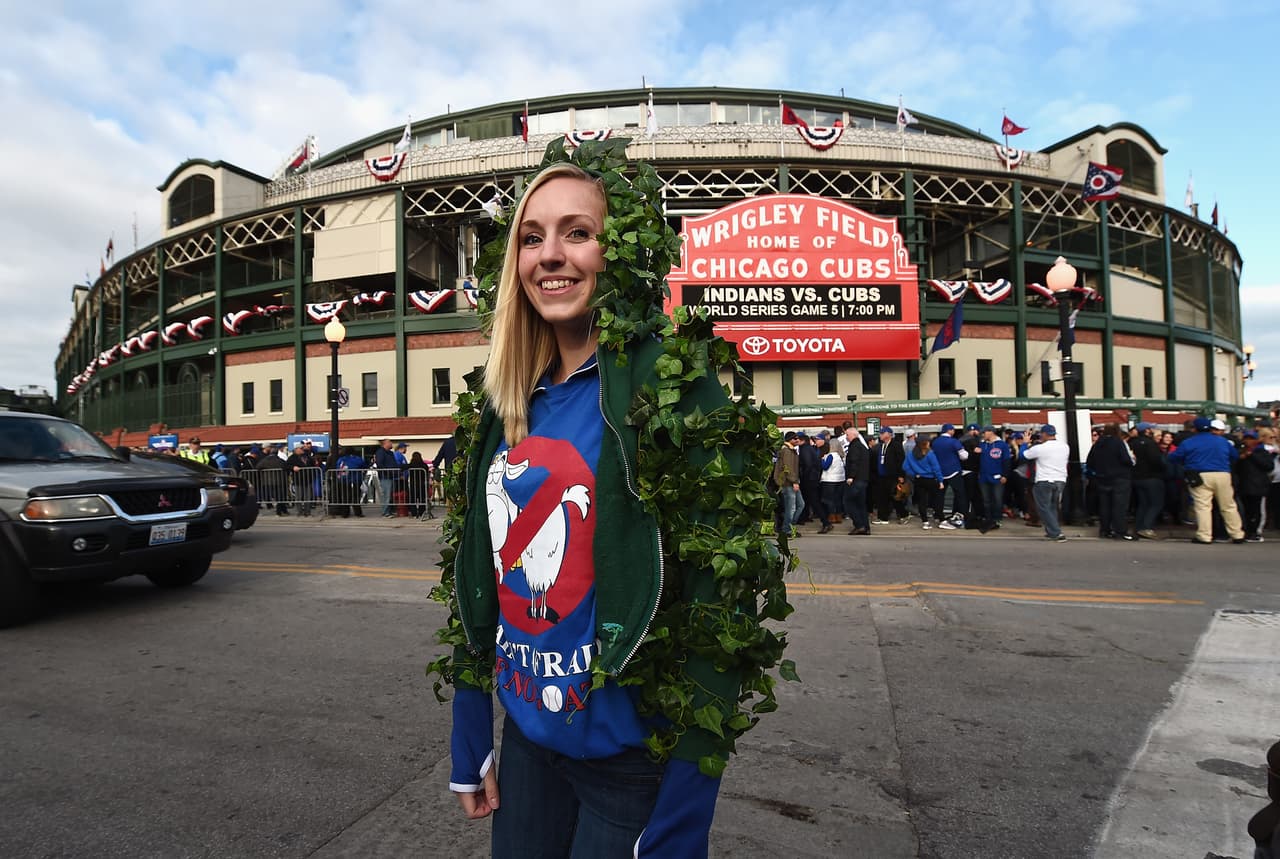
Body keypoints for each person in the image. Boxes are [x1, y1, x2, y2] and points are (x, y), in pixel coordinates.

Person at [432, 153, 786, 859]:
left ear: (620, 250)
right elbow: (481, 567)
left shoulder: (676, 390)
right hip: (529, 740)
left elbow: (725, 607)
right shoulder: (505, 399)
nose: (550, 255)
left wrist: (683, 810)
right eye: (531, 237)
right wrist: (471, 727)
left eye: (576, 232)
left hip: (631, 763)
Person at [1167, 417, 1245, 544]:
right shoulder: (1222, 441)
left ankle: (1205, 535)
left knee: (1203, 506)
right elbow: (1235, 456)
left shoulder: (1189, 442)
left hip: (1199, 475)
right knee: (1228, 505)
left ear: (1195, 429)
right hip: (1222, 473)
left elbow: (1174, 457)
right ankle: (1237, 534)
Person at [1086, 423, 1136, 540]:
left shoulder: (1098, 443)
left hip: (1102, 478)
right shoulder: (1118, 442)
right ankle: (1120, 531)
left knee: (1105, 506)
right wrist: (1132, 461)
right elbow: (1125, 459)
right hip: (1120, 478)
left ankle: (1105, 530)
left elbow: (1090, 461)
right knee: (1119, 506)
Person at [1022, 424, 1070, 542]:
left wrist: (1025, 443)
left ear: (1044, 434)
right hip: (1060, 479)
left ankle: (1056, 532)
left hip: (1044, 480)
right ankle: (1051, 531)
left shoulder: (1041, 448)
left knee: (1043, 507)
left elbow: (1024, 455)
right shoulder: (1064, 446)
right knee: (1053, 506)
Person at [1233, 431, 1273, 542]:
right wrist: (1242, 457)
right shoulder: (1240, 452)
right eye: (1246, 438)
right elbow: (1234, 466)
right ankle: (1246, 531)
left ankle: (1254, 532)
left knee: (1256, 510)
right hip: (1243, 486)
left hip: (1258, 486)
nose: (1248, 441)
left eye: (1251, 438)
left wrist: (1252, 455)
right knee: (1244, 510)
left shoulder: (1262, 452)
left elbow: (1269, 466)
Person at [1129, 422, 1166, 539]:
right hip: (1152, 477)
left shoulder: (1133, 443)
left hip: (1137, 477)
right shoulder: (1151, 444)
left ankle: (1139, 527)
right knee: (1156, 503)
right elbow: (1156, 460)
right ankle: (1146, 527)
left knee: (1143, 504)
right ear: (1147, 431)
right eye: (1151, 429)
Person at [903, 434, 944, 529]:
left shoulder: (911, 454)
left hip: (919, 479)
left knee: (922, 501)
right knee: (937, 499)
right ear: (925, 443)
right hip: (931, 479)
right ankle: (941, 519)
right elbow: (936, 468)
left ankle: (925, 522)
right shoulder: (930, 453)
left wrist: (914, 473)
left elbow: (905, 467)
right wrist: (940, 480)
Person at [932, 424, 969, 530]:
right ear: (950, 431)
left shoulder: (935, 442)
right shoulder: (954, 441)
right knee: (960, 495)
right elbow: (964, 456)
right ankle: (961, 516)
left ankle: (938, 516)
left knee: (939, 496)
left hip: (939, 473)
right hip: (954, 471)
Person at [976, 426, 1011, 534]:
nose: (983, 435)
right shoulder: (982, 444)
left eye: (984, 432)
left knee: (997, 499)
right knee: (986, 500)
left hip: (997, 476)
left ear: (991, 432)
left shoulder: (1002, 445)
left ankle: (997, 519)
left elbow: (1006, 461)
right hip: (983, 476)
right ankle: (988, 519)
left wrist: (1005, 475)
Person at [871, 427, 908, 525]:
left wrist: (901, 474)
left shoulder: (896, 445)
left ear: (889, 434)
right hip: (881, 476)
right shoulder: (881, 446)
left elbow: (901, 460)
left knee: (895, 496)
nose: (880, 435)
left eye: (882, 433)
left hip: (893, 475)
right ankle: (883, 517)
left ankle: (903, 514)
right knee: (882, 497)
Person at [772, 431, 804, 538]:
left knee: (799, 505)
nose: (798, 440)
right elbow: (788, 468)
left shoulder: (790, 450)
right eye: (795, 439)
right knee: (792, 507)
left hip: (792, 482)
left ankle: (789, 526)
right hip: (788, 483)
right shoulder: (787, 451)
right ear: (790, 440)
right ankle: (787, 529)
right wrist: (794, 481)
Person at [843, 424, 871, 535]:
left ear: (853, 435)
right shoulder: (863, 447)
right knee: (860, 504)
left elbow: (854, 462)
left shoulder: (854, 446)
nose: (846, 437)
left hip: (856, 480)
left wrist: (851, 476)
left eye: (847, 435)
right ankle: (866, 527)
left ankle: (859, 525)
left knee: (848, 502)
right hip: (863, 479)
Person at [817, 431, 845, 533]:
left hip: (829, 480)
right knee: (838, 499)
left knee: (829, 500)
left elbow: (825, 466)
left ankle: (832, 516)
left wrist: (821, 459)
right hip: (840, 480)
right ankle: (839, 516)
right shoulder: (840, 456)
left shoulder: (830, 455)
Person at [374, 438, 400, 517]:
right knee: (386, 495)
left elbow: (393, 464)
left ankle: (389, 510)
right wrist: (387, 471)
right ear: (385, 443)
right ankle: (385, 512)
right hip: (385, 477)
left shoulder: (390, 453)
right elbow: (380, 464)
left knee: (390, 495)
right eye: (390, 442)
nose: (391, 444)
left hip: (391, 476)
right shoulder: (380, 452)